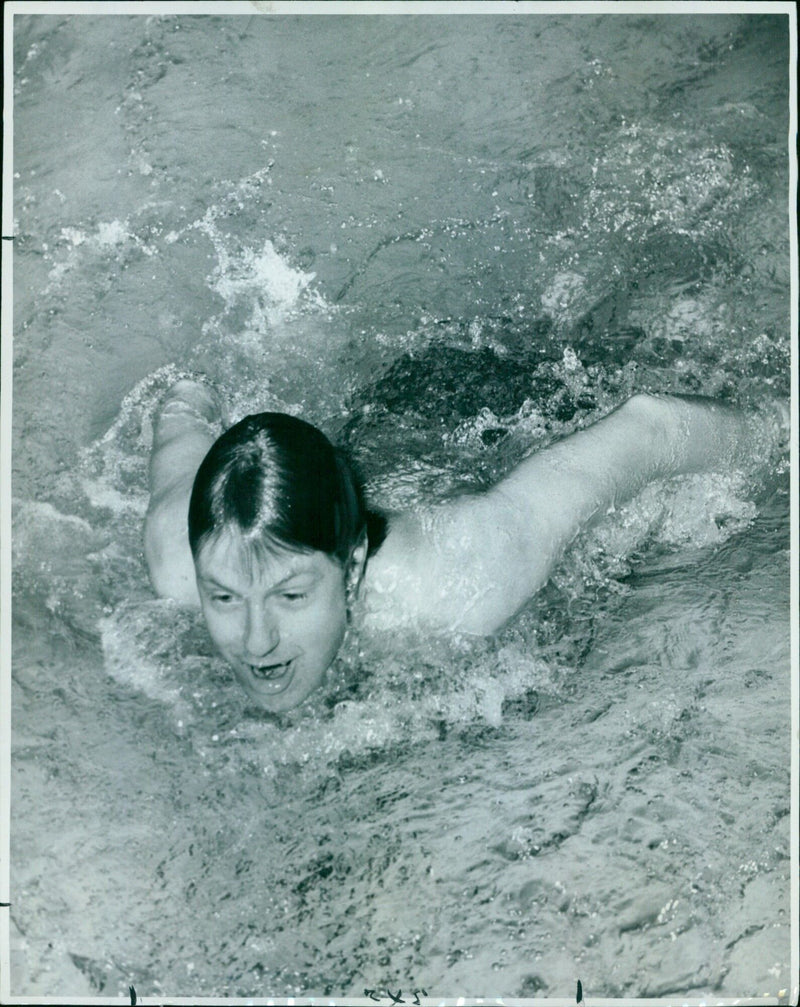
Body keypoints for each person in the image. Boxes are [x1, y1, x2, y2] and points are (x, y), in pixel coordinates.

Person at [144, 378, 781, 713]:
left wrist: (782, 430)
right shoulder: (182, 552)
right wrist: (191, 392)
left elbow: (650, 428)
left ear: (353, 566)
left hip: (481, 421)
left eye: (290, 595)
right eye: (224, 597)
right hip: (361, 441)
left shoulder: (465, 578)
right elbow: (181, 413)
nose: (256, 641)